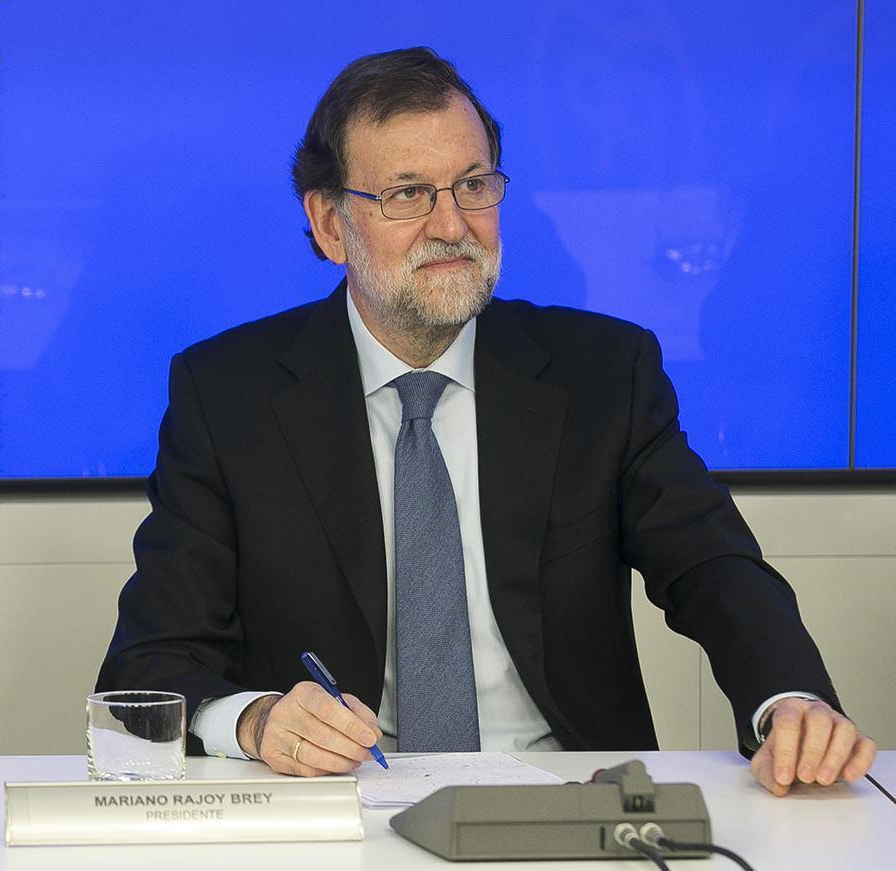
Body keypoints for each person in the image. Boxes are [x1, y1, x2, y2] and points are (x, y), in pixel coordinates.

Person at [97, 47, 876, 797]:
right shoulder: (229, 396)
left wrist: (788, 700)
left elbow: (712, 568)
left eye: (472, 184)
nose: (452, 224)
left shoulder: (602, 374)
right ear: (330, 224)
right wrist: (258, 720)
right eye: (407, 193)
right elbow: (146, 665)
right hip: (337, 807)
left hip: (571, 802)